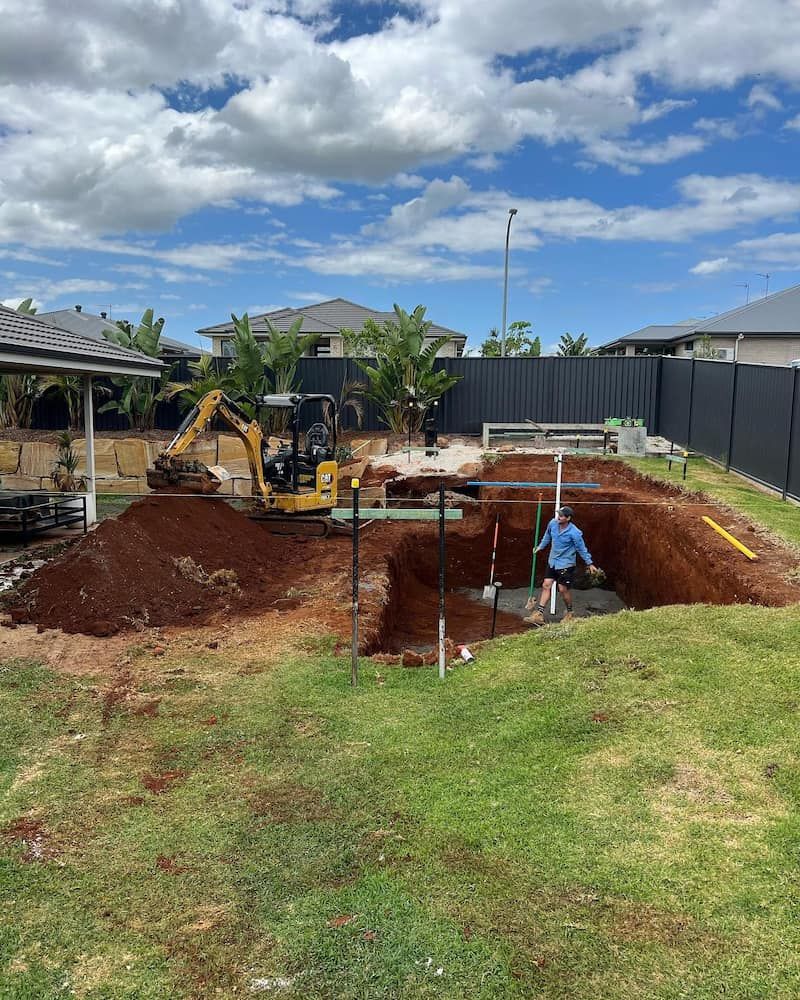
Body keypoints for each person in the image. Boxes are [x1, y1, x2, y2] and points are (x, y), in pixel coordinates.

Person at [524, 505, 599, 625]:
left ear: (568, 518)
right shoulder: (552, 524)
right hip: (553, 561)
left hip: (566, 564)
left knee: (562, 589)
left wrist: (589, 563)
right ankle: (539, 614)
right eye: (558, 514)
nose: (558, 517)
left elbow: (581, 548)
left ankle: (569, 613)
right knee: (546, 585)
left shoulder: (574, 533)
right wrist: (540, 547)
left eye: (561, 515)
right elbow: (547, 536)